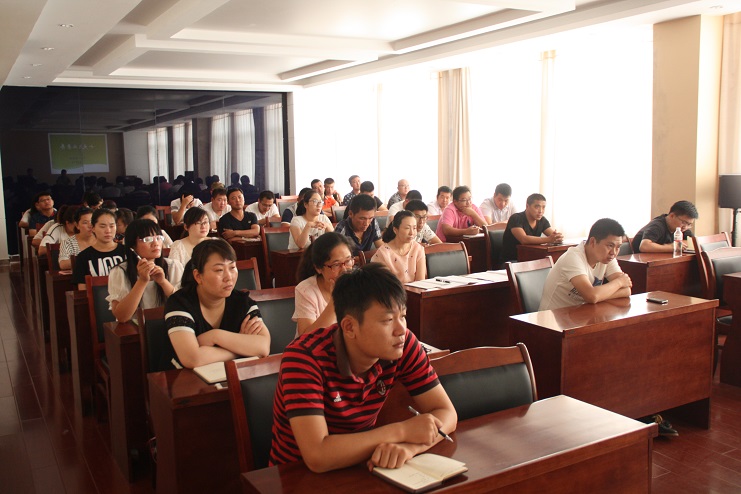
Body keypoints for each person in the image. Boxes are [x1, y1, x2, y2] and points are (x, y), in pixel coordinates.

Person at [269, 263, 457, 471]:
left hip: (362, 468)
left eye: (402, 316)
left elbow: (447, 413)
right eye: (388, 320)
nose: (400, 329)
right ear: (349, 327)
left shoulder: (402, 345)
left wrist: (410, 448)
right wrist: (402, 431)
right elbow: (317, 455)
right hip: (297, 476)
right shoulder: (304, 358)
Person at [162, 239, 270, 369]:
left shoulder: (242, 302)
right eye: (219, 270)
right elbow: (192, 359)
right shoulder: (180, 303)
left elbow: (263, 347)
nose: (229, 277)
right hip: (185, 378)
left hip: (231, 376)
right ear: (198, 276)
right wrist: (242, 348)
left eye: (232, 267)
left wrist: (215, 336)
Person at [539, 218, 632, 310]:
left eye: (618, 247)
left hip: (581, 314)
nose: (614, 252)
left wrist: (599, 296)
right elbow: (591, 296)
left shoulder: (608, 257)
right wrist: (619, 282)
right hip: (552, 317)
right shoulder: (573, 257)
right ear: (593, 242)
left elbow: (626, 289)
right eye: (610, 245)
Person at [107, 219, 183, 322]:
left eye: (159, 238)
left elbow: (183, 305)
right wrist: (142, 281)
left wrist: (163, 282)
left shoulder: (173, 266)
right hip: (135, 327)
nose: (155, 243)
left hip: (169, 324)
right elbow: (122, 317)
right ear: (133, 246)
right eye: (148, 239)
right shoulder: (120, 271)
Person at [293, 233, 355, 336]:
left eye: (348, 261)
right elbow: (305, 337)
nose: (344, 270)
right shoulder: (306, 290)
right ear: (318, 268)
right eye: (336, 265)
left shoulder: (358, 283)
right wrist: (334, 301)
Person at [71, 209, 128, 290]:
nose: (108, 231)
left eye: (112, 226)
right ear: (93, 228)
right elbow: (82, 289)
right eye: (102, 226)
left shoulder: (127, 251)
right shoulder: (83, 257)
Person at [501, 193, 563, 263]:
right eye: (537, 207)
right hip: (513, 261)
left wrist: (557, 237)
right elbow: (524, 239)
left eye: (543, 207)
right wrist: (549, 239)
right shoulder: (516, 218)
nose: (541, 211)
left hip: (531, 259)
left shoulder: (542, 220)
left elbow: (552, 235)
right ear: (527, 206)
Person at [372, 211, 426, 283]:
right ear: (395, 230)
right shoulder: (383, 254)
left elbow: (421, 282)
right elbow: (384, 285)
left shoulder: (418, 249)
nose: (412, 233)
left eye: (414, 228)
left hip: (415, 290)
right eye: (407, 228)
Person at [631, 200, 698, 253]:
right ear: (672, 216)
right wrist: (670, 247)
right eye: (684, 222)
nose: (685, 227)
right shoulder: (657, 226)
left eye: (689, 224)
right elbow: (644, 246)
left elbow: (693, 243)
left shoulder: (682, 229)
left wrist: (682, 244)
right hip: (642, 261)